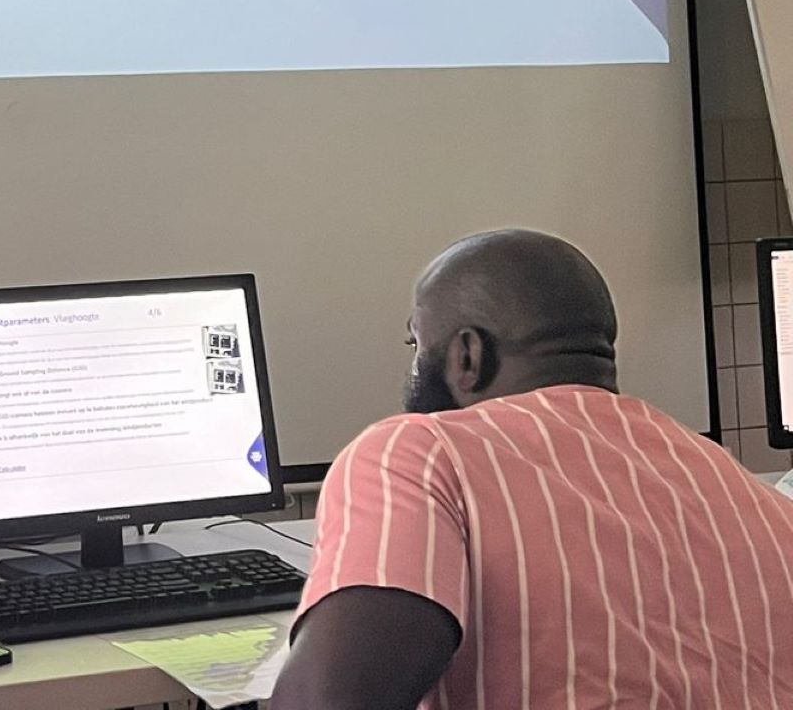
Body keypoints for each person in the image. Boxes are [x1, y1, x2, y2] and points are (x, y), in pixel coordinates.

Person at [271, 228, 793, 710]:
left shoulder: (422, 453)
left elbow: (327, 703)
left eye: (415, 345)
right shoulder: (755, 497)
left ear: (468, 356)